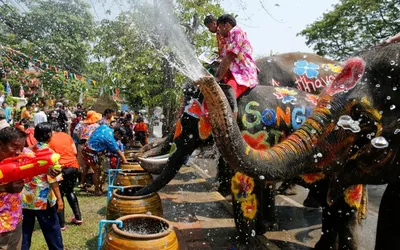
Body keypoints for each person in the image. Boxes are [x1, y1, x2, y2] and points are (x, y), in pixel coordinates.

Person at [21, 122, 64, 250]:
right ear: (49, 135)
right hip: (42, 198)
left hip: (26, 198)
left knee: (25, 231)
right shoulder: (50, 153)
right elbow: (53, 179)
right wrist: (60, 199)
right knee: (51, 229)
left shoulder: (28, 151)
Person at [215, 14, 259, 120]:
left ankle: (231, 126)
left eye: (220, 27)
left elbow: (229, 57)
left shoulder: (236, 32)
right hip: (234, 72)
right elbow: (224, 57)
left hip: (242, 74)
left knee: (228, 93)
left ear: (227, 25)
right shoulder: (229, 37)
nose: (219, 31)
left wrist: (217, 78)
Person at [49, 123, 82, 230]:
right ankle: (78, 217)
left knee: (60, 195)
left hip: (61, 168)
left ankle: (61, 224)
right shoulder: (67, 136)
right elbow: (75, 151)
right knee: (70, 191)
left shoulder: (49, 139)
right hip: (73, 166)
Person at [0, 128, 29, 250]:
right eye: (15, 147)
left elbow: (39, 159)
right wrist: (4, 188)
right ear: (1, 145)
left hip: (12, 221)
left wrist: (51, 169)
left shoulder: (20, 156)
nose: (18, 152)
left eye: (21, 148)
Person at [83, 125, 128, 195]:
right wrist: (127, 165)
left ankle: (85, 185)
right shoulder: (110, 139)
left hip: (88, 146)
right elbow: (120, 153)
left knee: (93, 169)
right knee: (97, 171)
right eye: (120, 136)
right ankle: (97, 190)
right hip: (91, 150)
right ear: (117, 133)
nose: (121, 138)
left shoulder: (106, 127)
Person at [73, 111, 102, 190]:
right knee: (94, 166)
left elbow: (75, 133)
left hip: (81, 145)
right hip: (91, 147)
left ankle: (82, 183)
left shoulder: (80, 124)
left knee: (83, 165)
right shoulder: (96, 126)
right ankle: (93, 185)